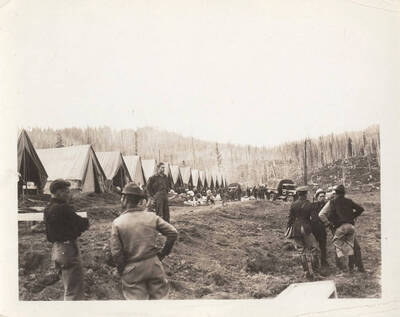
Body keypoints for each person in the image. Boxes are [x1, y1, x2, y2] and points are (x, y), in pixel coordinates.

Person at [110, 182, 178, 300]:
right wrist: (162, 254)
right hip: (154, 265)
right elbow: (173, 233)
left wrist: (122, 270)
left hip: (132, 268)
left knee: (139, 309)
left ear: (124, 199)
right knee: (161, 304)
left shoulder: (118, 222)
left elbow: (116, 253)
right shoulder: (151, 217)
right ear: (140, 200)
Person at [43, 179, 89, 300]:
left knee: (68, 288)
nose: (69, 195)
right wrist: (83, 224)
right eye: (66, 192)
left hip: (56, 250)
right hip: (68, 249)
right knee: (74, 292)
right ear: (58, 192)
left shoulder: (48, 208)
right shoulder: (64, 208)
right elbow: (82, 224)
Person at [319, 184, 365, 274]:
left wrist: (328, 223)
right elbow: (360, 209)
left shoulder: (331, 202)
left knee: (338, 247)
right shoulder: (349, 201)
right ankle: (357, 268)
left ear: (335, 193)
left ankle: (341, 269)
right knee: (354, 246)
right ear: (344, 193)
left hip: (337, 228)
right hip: (350, 226)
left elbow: (321, 214)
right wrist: (352, 216)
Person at [287, 186, 320, 280]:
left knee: (301, 251)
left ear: (298, 194)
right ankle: (315, 272)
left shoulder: (293, 204)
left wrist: (288, 228)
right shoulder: (309, 204)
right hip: (306, 228)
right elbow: (314, 219)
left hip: (296, 229)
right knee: (314, 249)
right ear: (305, 194)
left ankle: (306, 272)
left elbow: (290, 218)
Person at [310, 189, 329, 267]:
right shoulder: (312, 205)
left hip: (322, 229)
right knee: (314, 247)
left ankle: (324, 262)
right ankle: (315, 263)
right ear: (317, 197)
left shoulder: (326, 205)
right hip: (314, 228)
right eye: (321, 196)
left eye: (324, 196)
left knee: (323, 246)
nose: (323, 198)